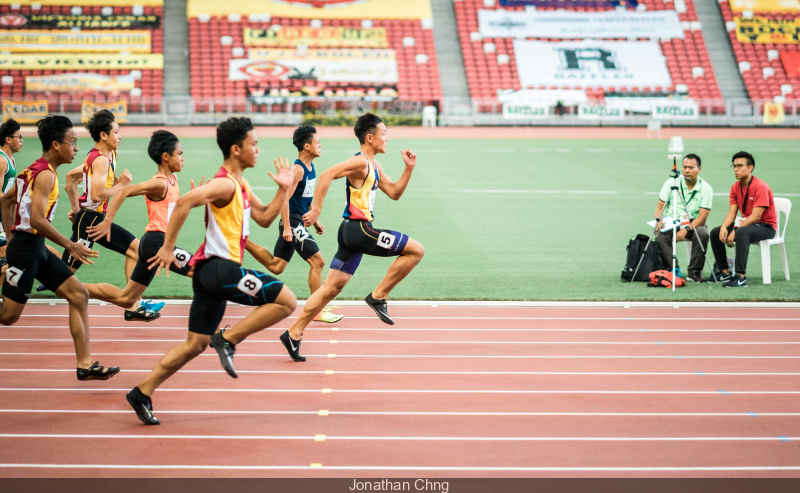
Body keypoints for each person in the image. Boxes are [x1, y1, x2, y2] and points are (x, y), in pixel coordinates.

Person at [126, 117, 297, 425]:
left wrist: (285, 189)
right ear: (236, 148)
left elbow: (266, 218)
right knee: (287, 302)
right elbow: (183, 204)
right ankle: (229, 339)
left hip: (209, 275)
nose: (258, 150)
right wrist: (167, 246)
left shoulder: (240, 183)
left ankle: (142, 391)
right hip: (221, 269)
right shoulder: (224, 183)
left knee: (196, 344)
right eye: (253, 144)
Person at [279, 113, 424, 362]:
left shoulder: (374, 164)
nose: (388, 138)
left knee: (329, 289)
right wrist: (316, 210)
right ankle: (378, 296)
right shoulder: (359, 162)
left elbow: (395, 192)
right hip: (360, 231)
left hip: (350, 234)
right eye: (384, 133)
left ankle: (293, 333)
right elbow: (326, 175)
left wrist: (408, 169)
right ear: (370, 137)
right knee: (416, 250)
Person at [0, 115, 118, 380]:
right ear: (55, 144)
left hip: (34, 246)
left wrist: (10, 238)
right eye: (72, 142)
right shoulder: (43, 175)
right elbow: (38, 220)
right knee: (8, 316)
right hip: (27, 250)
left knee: (78, 295)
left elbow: (6, 201)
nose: (76, 148)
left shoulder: (34, 170)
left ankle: (85, 364)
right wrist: (69, 245)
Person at [56, 109, 161, 321]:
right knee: (64, 273)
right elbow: (97, 193)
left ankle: (134, 304)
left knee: (135, 250)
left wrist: (75, 207)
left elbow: (72, 177)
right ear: (103, 135)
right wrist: (122, 185)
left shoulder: (110, 154)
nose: (120, 136)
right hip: (90, 220)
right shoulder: (100, 159)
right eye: (116, 131)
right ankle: (34, 260)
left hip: (92, 218)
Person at [82, 130, 196, 310]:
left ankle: (69, 287)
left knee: (127, 298)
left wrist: (194, 197)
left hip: (151, 243)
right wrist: (107, 222)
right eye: (179, 154)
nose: (183, 158)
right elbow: (123, 191)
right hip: (157, 243)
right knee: (201, 271)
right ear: (166, 156)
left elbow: (172, 211)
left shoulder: (172, 179)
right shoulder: (159, 183)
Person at [245, 124, 343, 323]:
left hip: (298, 221)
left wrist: (316, 221)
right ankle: (316, 309)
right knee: (318, 261)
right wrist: (288, 227)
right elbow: (284, 200)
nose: (321, 145)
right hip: (292, 222)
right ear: (307, 146)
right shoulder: (297, 170)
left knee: (277, 265)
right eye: (317, 142)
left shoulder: (310, 167)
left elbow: (303, 199)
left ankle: (242, 240)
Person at [708, 151, 777, 288]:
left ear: (750, 167)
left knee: (741, 233)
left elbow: (756, 216)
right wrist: (724, 227)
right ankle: (724, 271)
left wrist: (735, 230)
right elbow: (732, 212)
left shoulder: (760, 186)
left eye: (739, 166)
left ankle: (740, 277)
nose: (736, 169)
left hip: (765, 227)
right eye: (734, 166)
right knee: (716, 232)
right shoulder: (735, 187)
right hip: (746, 224)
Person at [653, 153, 712, 283]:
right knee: (661, 237)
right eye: (684, 167)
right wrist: (659, 220)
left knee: (702, 234)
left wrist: (686, 228)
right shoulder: (671, 182)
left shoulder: (706, 189)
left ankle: (694, 272)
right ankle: (672, 270)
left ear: (699, 169)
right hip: (671, 222)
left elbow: (702, 218)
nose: (686, 170)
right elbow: (659, 207)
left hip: (693, 223)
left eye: (691, 168)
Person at [0, 118, 22, 265]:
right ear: (8, 139)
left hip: (4, 210)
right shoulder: (2, 160)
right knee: (5, 255)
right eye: (19, 137)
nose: (21, 141)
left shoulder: (11, 159)